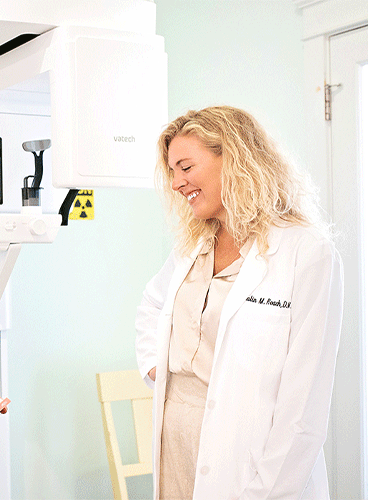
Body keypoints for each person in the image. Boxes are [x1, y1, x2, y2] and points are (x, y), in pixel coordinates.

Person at [135, 106, 343, 500]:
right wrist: (156, 368)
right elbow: (152, 304)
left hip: (250, 460)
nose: (177, 183)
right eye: (172, 172)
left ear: (232, 158)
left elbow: (303, 407)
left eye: (185, 166)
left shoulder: (306, 252)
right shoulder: (194, 245)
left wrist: (267, 491)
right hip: (176, 446)